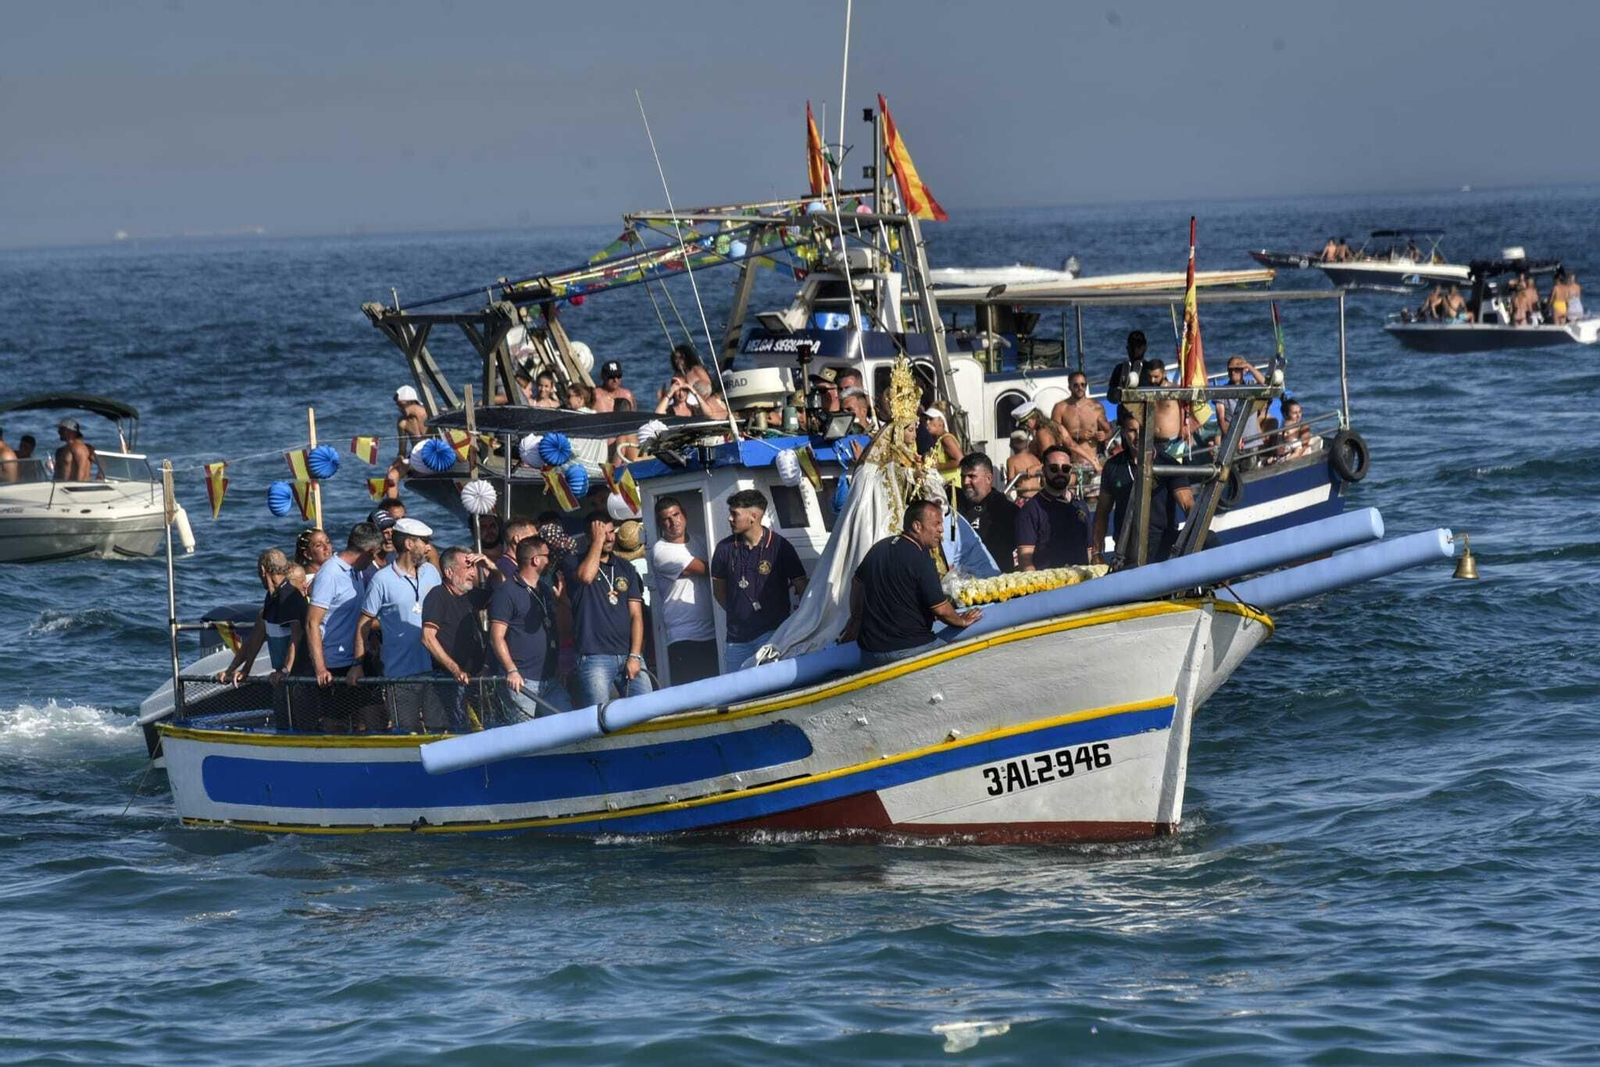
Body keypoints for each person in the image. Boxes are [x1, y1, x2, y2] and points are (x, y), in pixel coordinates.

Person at [841, 499, 982, 666]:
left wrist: (856, 619)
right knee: (968, 661)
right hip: (911, 648)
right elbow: (941, 609)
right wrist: (962, 621)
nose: (941, 530)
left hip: (871, 652)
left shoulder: (878, 548)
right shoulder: (921, 558)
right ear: (917, 526)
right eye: (936, 524)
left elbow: (857, 583)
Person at [353, 519, 442, 732]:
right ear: (409, 544)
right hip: (400, 673)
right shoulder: (381, 580)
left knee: (439, 729)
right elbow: (363, 625)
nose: (429, 547)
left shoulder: (431, 571)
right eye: (424, 541)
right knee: (406, 731)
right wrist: (357, 664)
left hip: (436, 668)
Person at [710, 489, 808, 667]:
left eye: (735, 514)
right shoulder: (724, 549)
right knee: (739, 691)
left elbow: (802, 587)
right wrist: (738, 612)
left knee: (774, 687)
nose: (729, 519)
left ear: (753, 516)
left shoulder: (780, 546)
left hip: (772, 635)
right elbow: (718, 592)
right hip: (736, 639)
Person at [563, 512, 652, 706]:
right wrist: (597, 542)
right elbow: (586, 577)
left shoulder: (625, 567)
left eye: (611, 532)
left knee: (647, 709)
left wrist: (635, 655)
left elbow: (636, 615)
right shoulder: (573, 562)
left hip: (628, 652)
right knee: (600, 717)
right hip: (594, 657)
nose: (610, 537)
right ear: (590, 537)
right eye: (604, 534)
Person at [1092, 408, 1196, 566]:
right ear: (1124, 433)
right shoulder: (1112, 467)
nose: (1138, 436)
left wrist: (1196, 538)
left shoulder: (1168, 464)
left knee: (1210, 538)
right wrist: (1097, 552)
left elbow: (1188, 503)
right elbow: (1102, 512)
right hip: (1127, 550)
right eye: (1132, 430)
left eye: (1142, 430)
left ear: (1151, 430)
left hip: (1164, 545)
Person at [306, 523, 384, 725]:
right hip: (335, 665)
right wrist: (321, 668)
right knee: (337, 725)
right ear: (368, 552)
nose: (375, 560)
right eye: (374, 555)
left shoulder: (355, 572)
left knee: (375, 721)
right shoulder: (330, 574)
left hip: (358, 656)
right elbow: (311, 623)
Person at [489, 535, 571, 719]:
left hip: (549, 678)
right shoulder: (507, 591)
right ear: (536, 560)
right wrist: (511, 670)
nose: (549, 560)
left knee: (567, 723)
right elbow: (496, 637)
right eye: (547, 555)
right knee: (525, 734)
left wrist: (562, 602)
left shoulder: (544, 589)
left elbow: (556, 630)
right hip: (523, 680)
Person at [648, 495, 718, 685]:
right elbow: (708, 569)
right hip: (684, 637)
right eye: (666, 519)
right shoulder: (661, 551)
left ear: (684, 515)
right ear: (660, 524)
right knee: (693, 698)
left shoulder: (702, 541)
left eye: (676, 515)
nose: (673, 522)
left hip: (714, 631)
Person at [1015, 445, 1091, 570]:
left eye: (1065, 468)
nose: (1060, 473)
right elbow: (1025, 561)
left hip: (1082, 583)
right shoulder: (1030, 510)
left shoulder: (1080, 505)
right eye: (1054, 468)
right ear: (1044, 471)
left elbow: (1089, 551)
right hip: (1050, 586)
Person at [957, 453, 1019, 572]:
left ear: (989, 479)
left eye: (972, 476)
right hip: (961, 579)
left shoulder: (1006, 510)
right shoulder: (954, 500)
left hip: (995, 581)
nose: (965, 482)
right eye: (962, 476)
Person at [1050, 370, 1111, 467]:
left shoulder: (1096, 407)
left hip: (1094, 460)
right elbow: (1053, 436)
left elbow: (1109, 431)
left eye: (1083, 385)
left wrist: (1103, 436)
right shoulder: (1060, 408)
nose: (1080, 388)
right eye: (1076, 385)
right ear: (1069, 387)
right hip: (1070, 462)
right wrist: (1076, 435)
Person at [1215, 357, 1267, 438]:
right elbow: (1221, 421)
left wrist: (1248, 366)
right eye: (1230, 370)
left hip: (1253, 441)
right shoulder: (1222, 392)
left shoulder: (1251, 385)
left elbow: (1265, 384)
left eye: (1236, 369)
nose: (1233, 372)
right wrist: (1233, 439)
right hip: (1234, 444)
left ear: (1243, 370)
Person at [1105, 330, 1147, 406]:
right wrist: (1119, 392)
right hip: (1126, 412)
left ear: (1145, 347)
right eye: (1132, 346)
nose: (1135, 350)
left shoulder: (1151, 369)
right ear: (1127, 348)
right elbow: (1110, 397)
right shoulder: (1120, 369)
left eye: (1139, 346)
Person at [496, 518, 537, 582]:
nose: (537, 542)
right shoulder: (504, 568)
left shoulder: (518, 566)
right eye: (533, 538)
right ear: (517, 539)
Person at [1005, 429, 1042, 500]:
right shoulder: (1034, 458)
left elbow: (1010, 480)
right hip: (1038, 497)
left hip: (1024, 498)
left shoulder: (1011, 461)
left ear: (1011, 445)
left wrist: (1006, 493)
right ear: (1027, 444)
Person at [54, 418, 96, 482]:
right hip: (62, 487)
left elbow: (82, 471)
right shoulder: (61, 450)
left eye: (62, 430)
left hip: (75, 488)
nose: (59, 432)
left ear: (71, 431)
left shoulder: (79, 447)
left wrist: (77, 488)